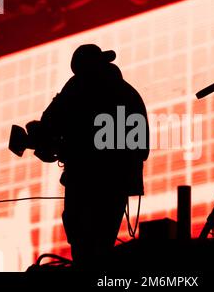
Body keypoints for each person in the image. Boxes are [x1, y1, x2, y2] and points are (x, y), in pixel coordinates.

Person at [38, 44, 149, 269]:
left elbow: (48, 124)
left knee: (84, 246)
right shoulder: (127, 92)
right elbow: (141, 149)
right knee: (100, 245)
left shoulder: (77, 87)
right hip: (116, 183)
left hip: (87, 181)